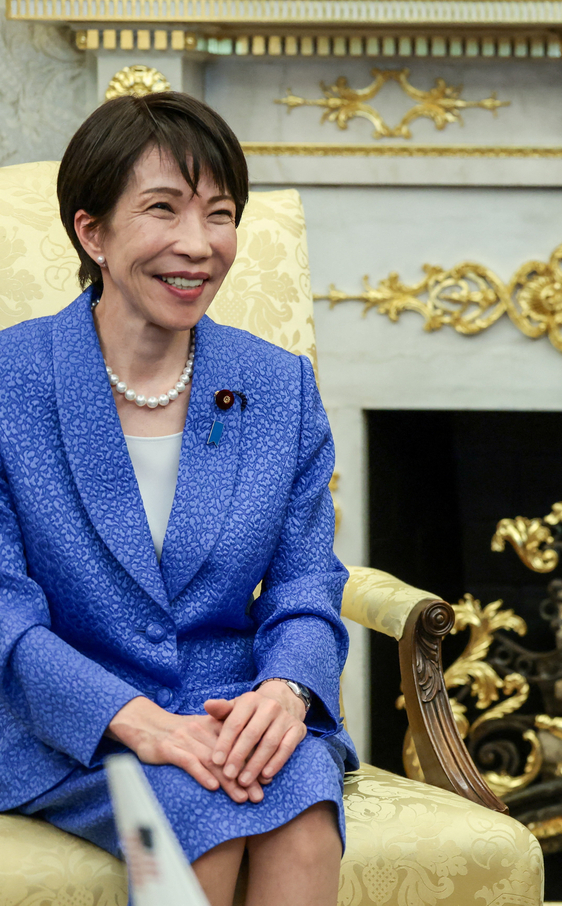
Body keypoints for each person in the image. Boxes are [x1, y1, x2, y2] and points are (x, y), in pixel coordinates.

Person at [0, 92, 355, 906]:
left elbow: (305, 583)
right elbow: (3, 610)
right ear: (92, 232)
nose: (198, 245)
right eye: (162, 210)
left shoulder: (276, 385)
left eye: (220, 214)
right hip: (61, 718)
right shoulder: (10, 382)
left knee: (300, 796)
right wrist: (133, 716)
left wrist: (287, 692)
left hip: (234, 705)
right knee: (207, 806)